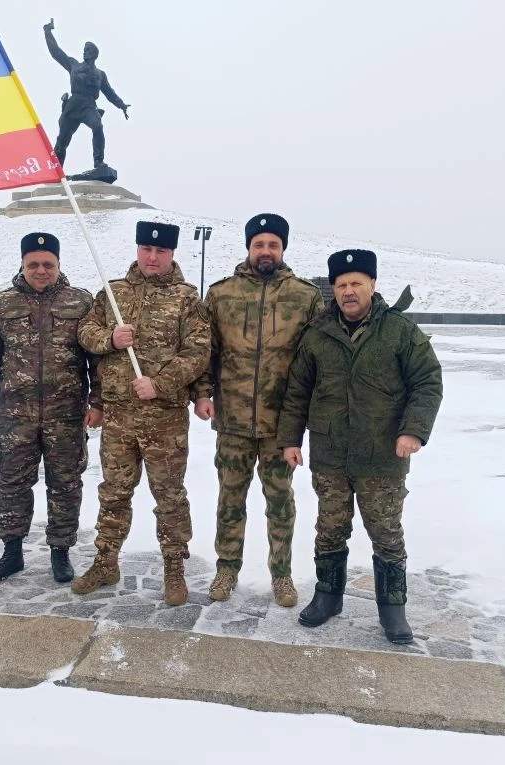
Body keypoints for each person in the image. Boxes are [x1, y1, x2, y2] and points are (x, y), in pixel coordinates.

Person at [277, 249, 443, 643]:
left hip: (382, 454)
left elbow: (427, 382)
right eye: (341, 285)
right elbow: (298, 391)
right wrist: (290, 439)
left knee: (386, 533)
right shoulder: (317, 334)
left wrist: (413, 431)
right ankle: (328, 596)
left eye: (356, 283)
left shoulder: (399, 331)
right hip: (330, 452)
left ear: (372, 285)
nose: (348, 291)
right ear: (333, 290)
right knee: (330, 528)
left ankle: (393, 608)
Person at [72, 221, 210, 606]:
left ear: (171, 254)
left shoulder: (186, 299)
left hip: (164, 419)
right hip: (118, 417)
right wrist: (110, 339)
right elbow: (85, 332)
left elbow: (198, 352)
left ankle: (174, 567)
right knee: (114, 492)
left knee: (169, 496)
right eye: (147, 249)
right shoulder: (113, 293)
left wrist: (160, 383)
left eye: (160, 251)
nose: (152, 257)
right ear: (138, 250)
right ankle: (105, 561)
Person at [191, 213, 323, 607]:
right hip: (232, 420)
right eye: (259, 244)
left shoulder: (305, 296)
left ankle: (281, 575)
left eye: (273, 245)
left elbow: (314, 360)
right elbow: (207, 352)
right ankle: (227, 569)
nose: (266, 251)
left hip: (281, 424)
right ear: (248, 248)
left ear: (283, 249)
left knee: (280, 502)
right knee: (230, 500)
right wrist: (203, 393)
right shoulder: (222, 294)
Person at [0, 232, 103, 585]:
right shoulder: (3, 304)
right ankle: (12, 552)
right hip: (17, 416)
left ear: (58, 264)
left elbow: (97, 360)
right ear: (23, 265)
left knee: (66, 484)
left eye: (48, 264)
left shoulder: (80, 302)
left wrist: (98, 402)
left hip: (66, 415)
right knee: (11, 482)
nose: (41, 271)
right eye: (34, 265)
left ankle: (61, 552)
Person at [43, 19, 130, 169]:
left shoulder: (100, 74)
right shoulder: (74, 65)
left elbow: (109, 93)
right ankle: (56, 170)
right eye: (84, 49)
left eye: (88, 50)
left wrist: (121, 105)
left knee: (98, 126)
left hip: (89, 106)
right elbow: (56, 52)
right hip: (73, 105)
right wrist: (47, 32)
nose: (84, 52)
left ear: (94, 54)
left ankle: (98, 161)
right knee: (62, 141)